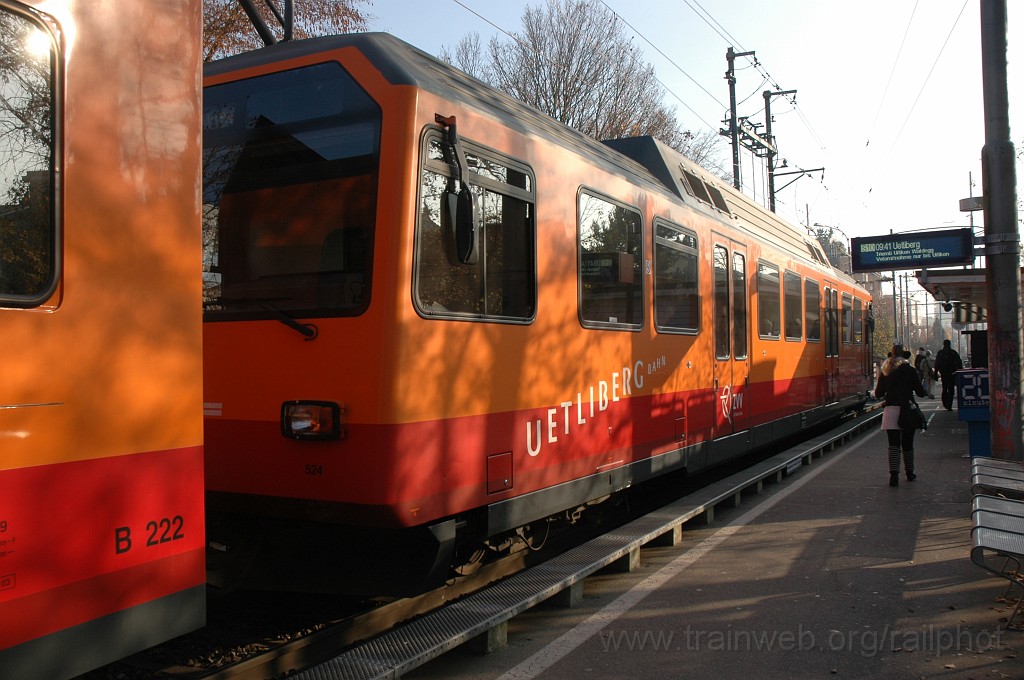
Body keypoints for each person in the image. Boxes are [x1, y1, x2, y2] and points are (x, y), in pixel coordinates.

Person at [875, 343, 927, 487]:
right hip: (907, 410)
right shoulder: (910, 370)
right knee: (908, 443)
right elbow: (921, 392)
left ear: (891, 355)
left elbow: (878, 393)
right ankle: (909, 472)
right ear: (904, 355)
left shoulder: (885, 371)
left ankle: (894, 476)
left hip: (891, 410)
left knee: (893, 444)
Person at [934, 339, 963, 410]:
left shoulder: (940, 353)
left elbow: (937, 363)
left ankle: (945, 403)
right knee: (951, 389)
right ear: (950, 344)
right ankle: (949, 405)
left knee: (944, 388)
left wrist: (935, 373)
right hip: (952, 373)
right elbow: (959, 362)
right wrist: (960, 371)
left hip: (943, 373)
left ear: (943, 344)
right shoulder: (953, 352)